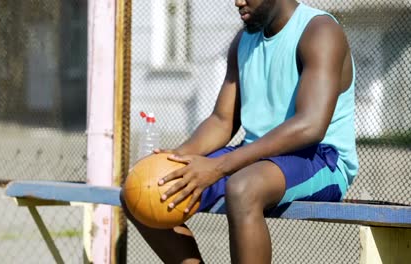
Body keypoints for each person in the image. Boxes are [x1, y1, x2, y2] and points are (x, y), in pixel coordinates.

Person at [121, 0, 359, 263]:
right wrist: (176, 157)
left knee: (243, 187)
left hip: (322, 158)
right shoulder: (243, 41)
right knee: (140, 189)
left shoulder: (320, 30)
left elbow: (310, 126)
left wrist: (220, 166)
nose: (237, 1)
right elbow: (222, 120)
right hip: (255, 156)